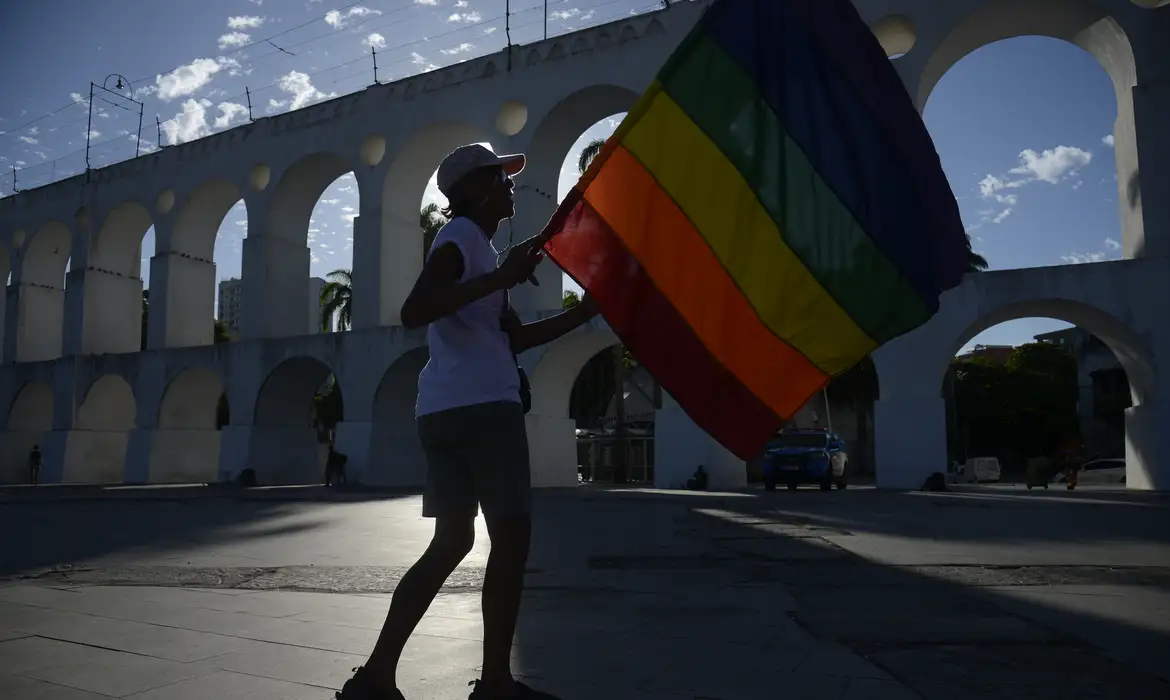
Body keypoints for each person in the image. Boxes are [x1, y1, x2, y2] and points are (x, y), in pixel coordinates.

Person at [336, 144, 599, 700]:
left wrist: (582, 312)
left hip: (443, 409)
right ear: (475, 190)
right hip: (483, 410)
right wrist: (498, 276)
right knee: (510, 538)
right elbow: (415, 309)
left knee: (451, 541)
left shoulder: (477, 248)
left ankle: (376, 676)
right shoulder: (459, 240)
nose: (509, 186)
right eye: (500, 178)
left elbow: (517, 338)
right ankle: (496, 683)